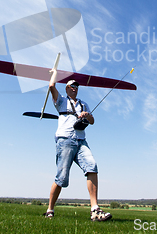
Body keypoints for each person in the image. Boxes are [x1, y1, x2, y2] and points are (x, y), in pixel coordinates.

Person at [44, 72, 112, 222]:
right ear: (67, 88)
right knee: (61, 178)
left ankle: (95, 209)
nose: (75, 88)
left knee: (92, 166)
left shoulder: (83, 104)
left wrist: (87, 115)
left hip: (81, 141)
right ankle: (50, 209)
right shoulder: (60, 101)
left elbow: (92, 121)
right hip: (65, 140)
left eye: (77, 87)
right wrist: (54, 73)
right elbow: (51, 86)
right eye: (72, 86)